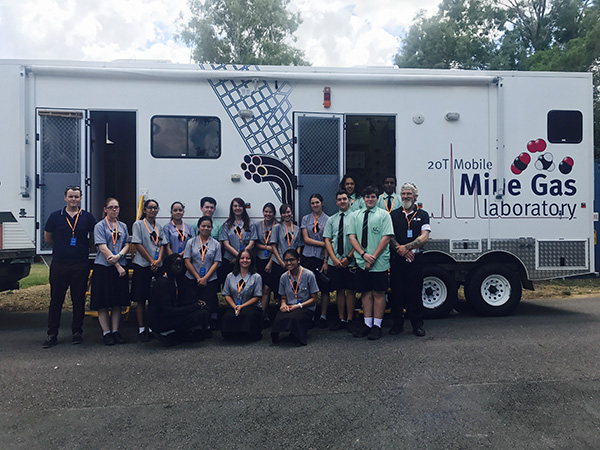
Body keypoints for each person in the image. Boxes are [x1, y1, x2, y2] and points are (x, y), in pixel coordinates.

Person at [42, 186, 96, 348]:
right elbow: (48, 237)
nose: (73, 200)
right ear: (65, 198)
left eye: (76, 197)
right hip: (60, 263)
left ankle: (77, 332)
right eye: (71, 196)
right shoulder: (55, 217)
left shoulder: (87, 217)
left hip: (80, 263)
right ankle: (52, 334)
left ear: (80, 199)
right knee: (56, 300)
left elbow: (93, 239)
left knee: (78, 299)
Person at [348, 186, 394, 340]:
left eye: (373, 196)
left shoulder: (384, 215)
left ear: (377, 198)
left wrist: (373, 257)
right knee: (366, 293)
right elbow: (352, 237)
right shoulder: (355, 216)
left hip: (379, 261)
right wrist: (363, 255)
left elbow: (386, 237)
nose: (370, 199)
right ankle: (367, 324)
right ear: (363, 199)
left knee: (379, 293)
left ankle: (377, 326)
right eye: (367, 197)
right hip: (362, 261)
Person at [389, 182, 430, 337]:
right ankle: (397, 325)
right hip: (397, 259)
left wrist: (407, 248)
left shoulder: (423, 215)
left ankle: (417, 325)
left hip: (416, 260)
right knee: (397, 293)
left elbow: (424, 236)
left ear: (415, 196)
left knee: (415, 292)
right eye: (404, 194)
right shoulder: (393, 215)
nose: (406, 196)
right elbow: (389, 236)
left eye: (409, 194)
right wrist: (401, 250)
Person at [90, 198, 130, 346]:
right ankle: (106, 332)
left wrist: (119, 256)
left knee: (117, 302)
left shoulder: (123, 226)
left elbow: (126, 243)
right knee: (103, 302)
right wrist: (117, 264)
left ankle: (115, 331)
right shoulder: (100, 226)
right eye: (111, 207)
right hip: (104, 267)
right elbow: (102, 246)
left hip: (119, 263)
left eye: (116, 207)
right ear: (105, 209)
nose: (114, 210)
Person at [147, 253, 211, 346]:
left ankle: (178, 333)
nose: (178, 268)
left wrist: (198, 305)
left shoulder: (177, 280)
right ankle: (165, 333)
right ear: (169, 265)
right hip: (161, 319)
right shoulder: (163, 283)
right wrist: (194, 307)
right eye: (175, 265)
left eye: (180, 265)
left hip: (173, 314)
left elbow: (182, 303)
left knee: (202, 312)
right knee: (196, 312)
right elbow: (168, 310)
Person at [131, 199, 167, 342]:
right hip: (142, 265)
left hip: (157, 266)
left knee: (154, 298)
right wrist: (151, 260)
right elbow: (138, 244)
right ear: (145, 210)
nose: (153, 210)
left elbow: (163, 243)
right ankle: (141, 328)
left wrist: (158, 261)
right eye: (150, 208)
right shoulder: (138, 225)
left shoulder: (159, 227)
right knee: (141, 298)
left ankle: (152, 327)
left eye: (155, 208)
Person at [323, 191, 357, 332]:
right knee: (339, 290)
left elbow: (358, 239)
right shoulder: (331, 220)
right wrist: (334, 259)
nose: (342, 201)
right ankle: (341, 319)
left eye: (344, 199)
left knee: (350, 291)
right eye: (339, 199)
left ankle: (350, 320)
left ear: (349, 200)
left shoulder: (355, 218)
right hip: (335, 261)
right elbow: (327, 240)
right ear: (336, 202)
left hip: (351, 261)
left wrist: (349, 257)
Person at [271, 249, 319, 346]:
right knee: (279, 317)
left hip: (305, 306)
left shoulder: (308, 275)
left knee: (295, 317)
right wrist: (283, 304)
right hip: (290, 306)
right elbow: (283, 297)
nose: (289, 263)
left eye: (292, 260)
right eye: (286, 260)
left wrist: (299, 305)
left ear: (298, 260)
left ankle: (299, 337)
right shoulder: (284, 277)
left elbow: (314, 298)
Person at [184, 216, 222, 329]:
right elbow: (187, 261)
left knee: (210, 301)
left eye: (208, 226)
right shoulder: (191, 242)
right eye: (203, 226)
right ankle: (195, 324)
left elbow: (216, 262)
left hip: (210, 278)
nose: (206, 228)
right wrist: (197, 277)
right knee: (193, 301)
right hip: (192, 278)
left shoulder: (216, 244)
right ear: (198, 228)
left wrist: (205, 278)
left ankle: (210, 323)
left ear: (211, 228)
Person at [300, 193, 330, 328]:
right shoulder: (305, 219)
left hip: (321, 258)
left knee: (324, 288)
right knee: (308, 288)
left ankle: (323, 316)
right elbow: (306, 239)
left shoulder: (328, 220)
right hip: (307, 257)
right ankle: (310, 315)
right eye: (312, 203)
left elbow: (329, 240)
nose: (315, 205)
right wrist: (324, 244)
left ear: (322, 203)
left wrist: (325, 260)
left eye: (317, 202)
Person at [221, 249, 263, 341]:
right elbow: (226, 294)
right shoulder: (230, 276)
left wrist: (241, 306)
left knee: (247, 315)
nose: (245, 260)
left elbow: (257, 297)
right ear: (238, 260)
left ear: (251, 260)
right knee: (227, 317)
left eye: (248, 258)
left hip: (251, 306)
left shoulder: (256, 277)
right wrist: (235, 307)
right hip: (234, 305)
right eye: (242, 258)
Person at [251, 203, 280, 327]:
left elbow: (279, 246)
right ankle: (264, 315)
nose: (268, 214)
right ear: (263, 212)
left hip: (274, 260)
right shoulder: (257, 226)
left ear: (274, 214)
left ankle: (279, 316)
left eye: (270, 212)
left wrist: (270, 262)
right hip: (260, 259)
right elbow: (255, 244)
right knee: (263, 288)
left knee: (271, 288)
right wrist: (267, 247)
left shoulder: (278, 226)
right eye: (266, 212)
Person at [218, 197, 255, 294]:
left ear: (243, 208)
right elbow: (226, 244)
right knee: (230, 286)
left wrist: (241, 257)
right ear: (232, 208)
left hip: (246, 260)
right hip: (230, 260)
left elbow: (252, 242)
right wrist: (239, 257)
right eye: (235, 206)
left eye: (240, 206)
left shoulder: (250, 224)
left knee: (246, 286)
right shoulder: (226, 225)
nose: (237, 208)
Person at [163, 201, 196, 302]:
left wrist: (181, 256)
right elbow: (166, 245)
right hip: (171, 262)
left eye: (180, 210)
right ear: (171, 212)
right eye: (175, 210)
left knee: (184, 288)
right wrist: (173, 258)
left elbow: (192, 244)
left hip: (185, 261)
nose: (178, 212)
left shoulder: (189, 228)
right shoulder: (166, 227)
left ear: (183, 212)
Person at [272, 203, 303, 270]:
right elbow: (273, 246)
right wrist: (281, 262)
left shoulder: (297, 229)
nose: (286, 215)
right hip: (279, 263)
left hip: (293, 264)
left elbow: (299, 246)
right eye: (283, 213)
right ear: (281, 214)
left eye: (288, 212)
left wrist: (295, 261)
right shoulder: (277, 227)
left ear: (292, 212)